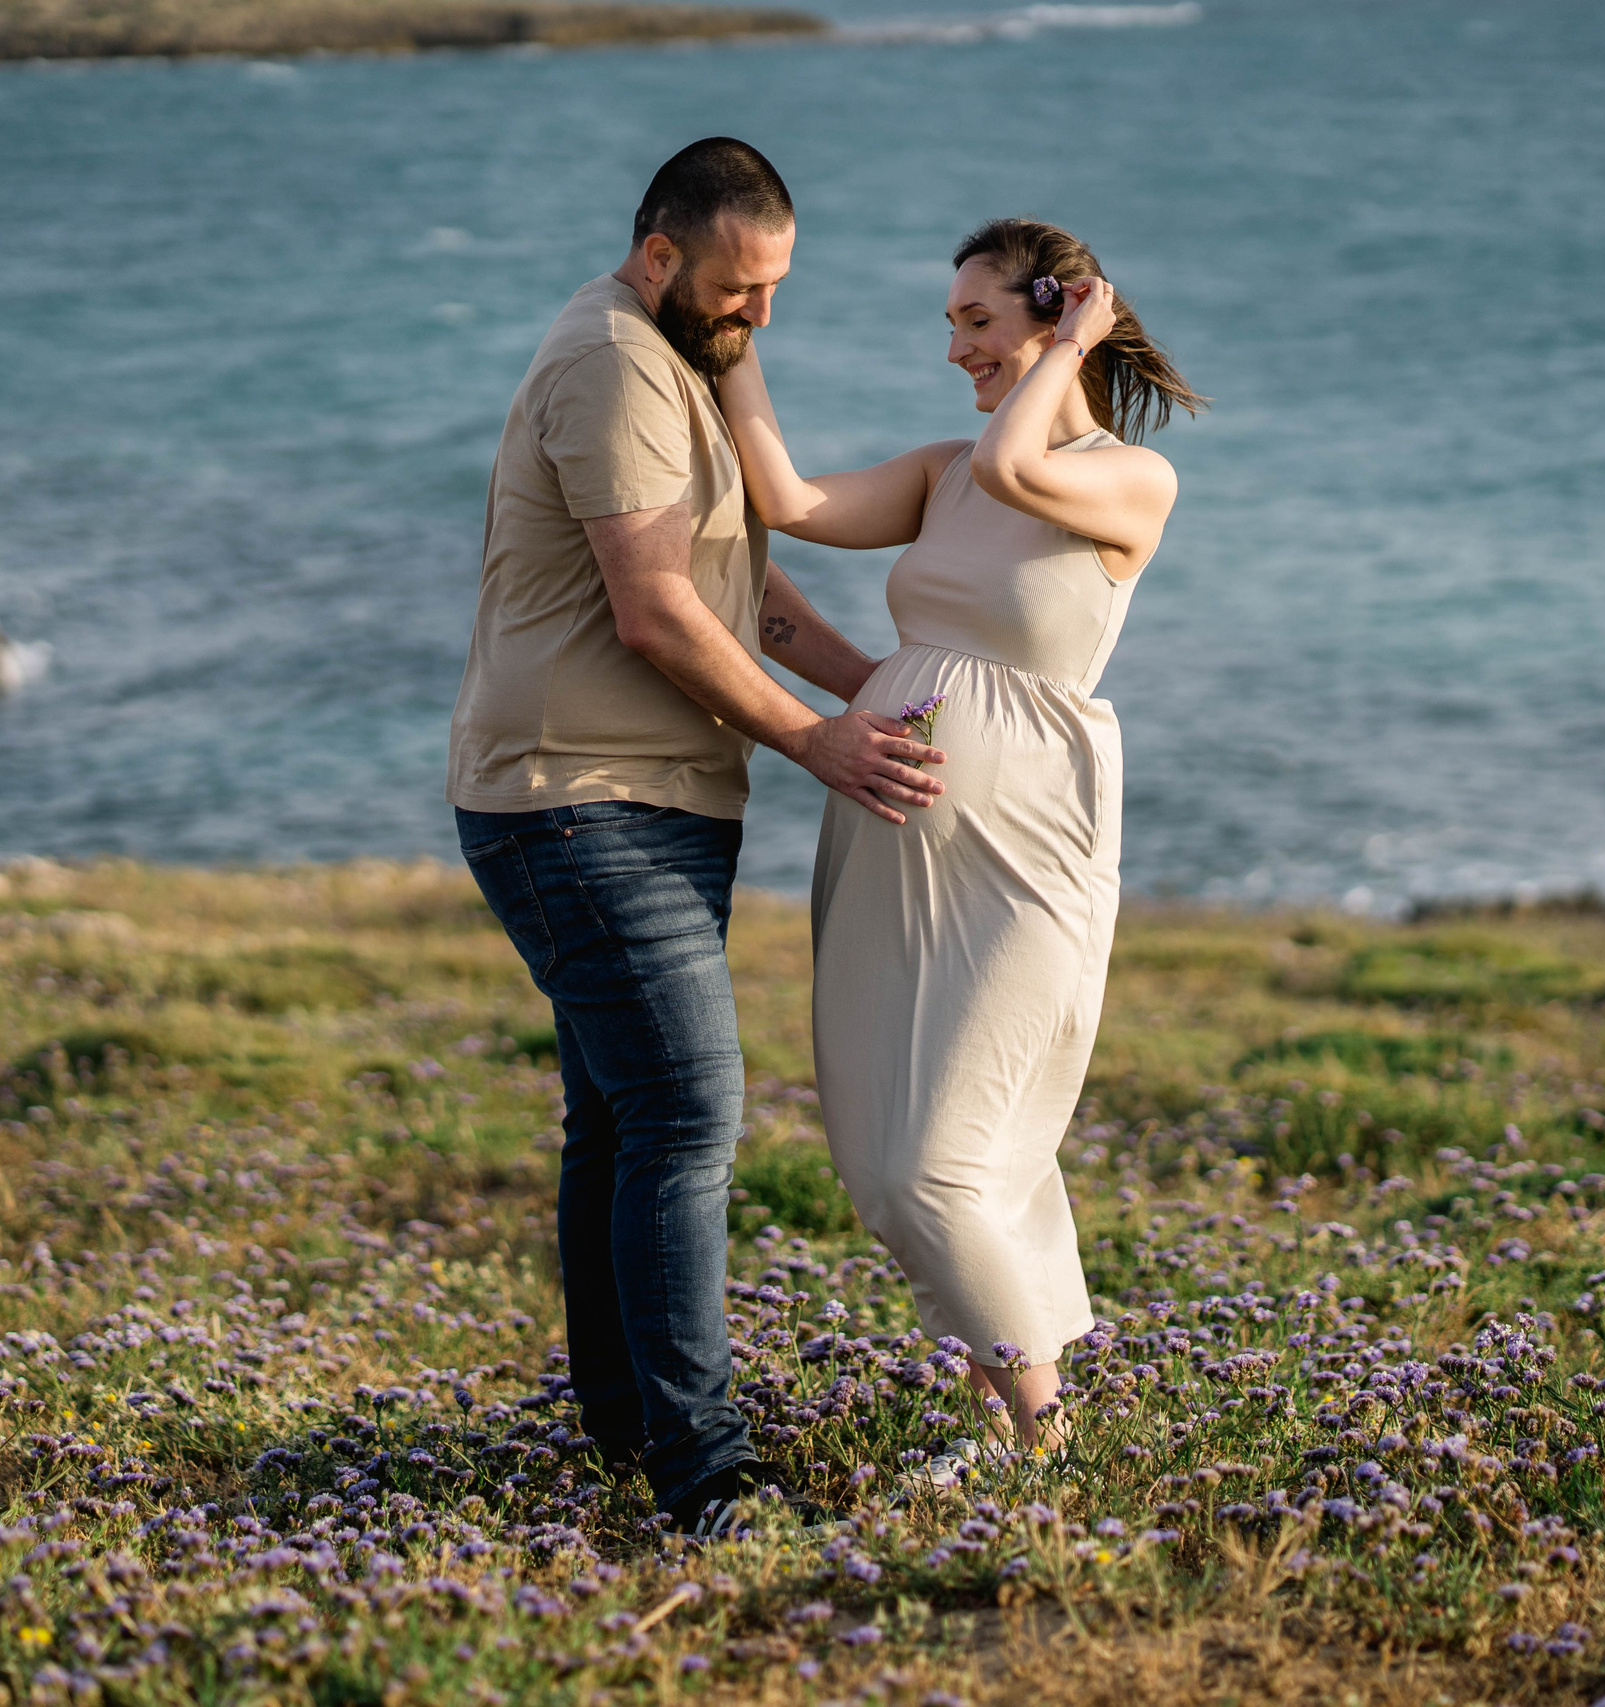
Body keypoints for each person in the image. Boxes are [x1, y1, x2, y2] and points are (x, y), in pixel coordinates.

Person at [446, 138, 947, 1533]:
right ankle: (703, 1472)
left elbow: (745, 585)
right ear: (660, 254)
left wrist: (883, 687)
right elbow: (658, 607)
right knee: (684, 1111)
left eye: (777, 289)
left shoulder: (684, 356)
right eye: (739, 288)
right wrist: (814, 741)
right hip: (575, 797)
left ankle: (621, 1427)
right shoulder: (613, 361)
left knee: (617, 1118)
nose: (760, 316)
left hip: (635, 795)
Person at [718, 217, 1202, 1462]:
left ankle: (1052, 1451)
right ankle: (1001, 1432)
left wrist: (1073, 348)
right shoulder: (946, 468)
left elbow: (1015, 470)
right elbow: (787, 499)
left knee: (949, 1156)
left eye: (977, 322)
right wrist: (727, 340)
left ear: (1058, 320)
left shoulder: (1125, 480)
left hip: (1024, 841)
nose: (955, 350)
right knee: (887, 1161)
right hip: (888, 831)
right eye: (951, 324)